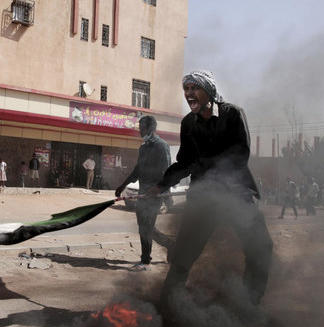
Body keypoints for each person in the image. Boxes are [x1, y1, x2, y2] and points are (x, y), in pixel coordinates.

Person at [150, 70, 273, 308]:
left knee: (261, 248)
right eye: (186, 89)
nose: (188, 93)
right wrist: (162, 184)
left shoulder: (233, 114)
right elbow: (184, 161)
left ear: (209, 91)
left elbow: (240, 154)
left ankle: (248, 304)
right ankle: (167, 307)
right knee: (184, 255)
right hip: (203, 199)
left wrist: (206, 169)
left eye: (194, 87)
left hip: (235, 196)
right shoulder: (188, 123)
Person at [115, 115, 171, 270]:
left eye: (142, 128)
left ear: (151, 128)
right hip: (143, 191)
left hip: (155, 192)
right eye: (139, 128)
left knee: (147, 226)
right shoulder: (144, 147)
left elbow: (167, 172)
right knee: (144, 227)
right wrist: (122, 185)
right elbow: (137, 170)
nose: (139, 131)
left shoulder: (162, 146)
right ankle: (170, 245)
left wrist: (166, 194)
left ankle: (145, 260)